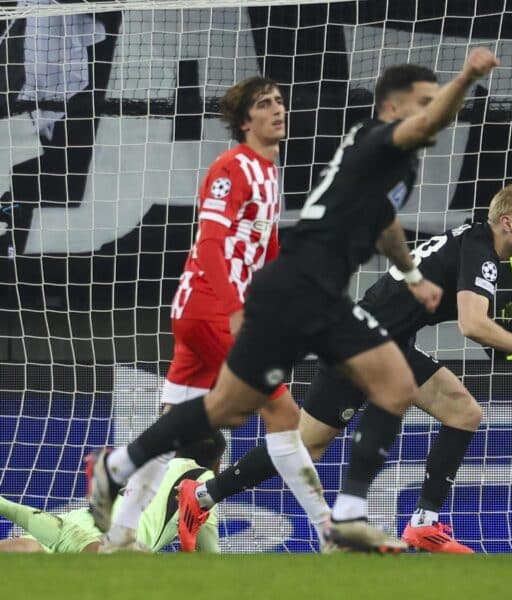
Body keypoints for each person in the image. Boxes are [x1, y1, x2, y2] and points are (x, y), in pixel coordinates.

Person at [88, 47, 500, 554]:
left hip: (314, 293)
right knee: (238, 409)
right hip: (294, 291)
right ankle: (334, 519)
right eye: (424, 102)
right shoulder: (379, 138)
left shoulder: (394, 165)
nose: (433, 112)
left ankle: (343, 518)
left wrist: (413, 274)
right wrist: (467, 77)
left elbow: (385, 223)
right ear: (393, 109)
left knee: (357, 390)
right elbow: (216, 240)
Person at [183, 183, 512, 553]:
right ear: (507, 223)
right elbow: (472, 324)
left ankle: (423, 524)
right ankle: (203, 495)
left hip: (389, 343)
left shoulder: (477, 242)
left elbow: (471, 320)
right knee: (305, 447)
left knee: (463, 412)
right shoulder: (480, 251)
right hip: (359, 345)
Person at [95, 75, 335, 552]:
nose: (277, 109)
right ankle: (332, 533)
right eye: (265, 104)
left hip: (209, 312)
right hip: (209, 309)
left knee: (173, 425)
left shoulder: (269, 172)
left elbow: (266, 248)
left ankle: (120, 532)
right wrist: (235, 312)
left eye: (280, 101)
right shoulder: (233, 168)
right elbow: (209, 244)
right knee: (284, 412)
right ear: (245, 120)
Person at [0, 432, 226, 554]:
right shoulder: (203, 480)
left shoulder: (149, 463)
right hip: (116, 541)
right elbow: (210, 557)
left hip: (72, 521)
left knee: (27, 548)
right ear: (217, 465)